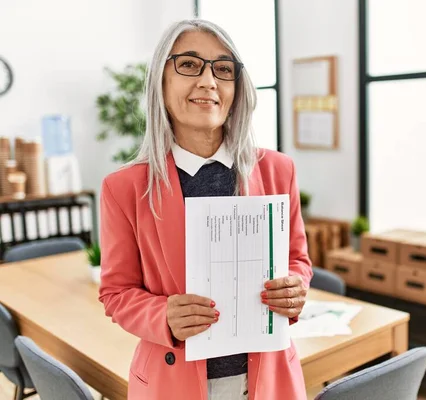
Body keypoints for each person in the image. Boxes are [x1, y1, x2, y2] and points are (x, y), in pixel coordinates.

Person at [98, 19, 312, 400]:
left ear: (237, 88)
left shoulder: (278, 170)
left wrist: (295, 287)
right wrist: (161, 315)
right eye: (189, 64)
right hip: (172, 381)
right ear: (160, 84)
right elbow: (116, 293)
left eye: (223, 69)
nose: (209, 81)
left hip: (269, 378)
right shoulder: (125, 188)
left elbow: (298, 259)